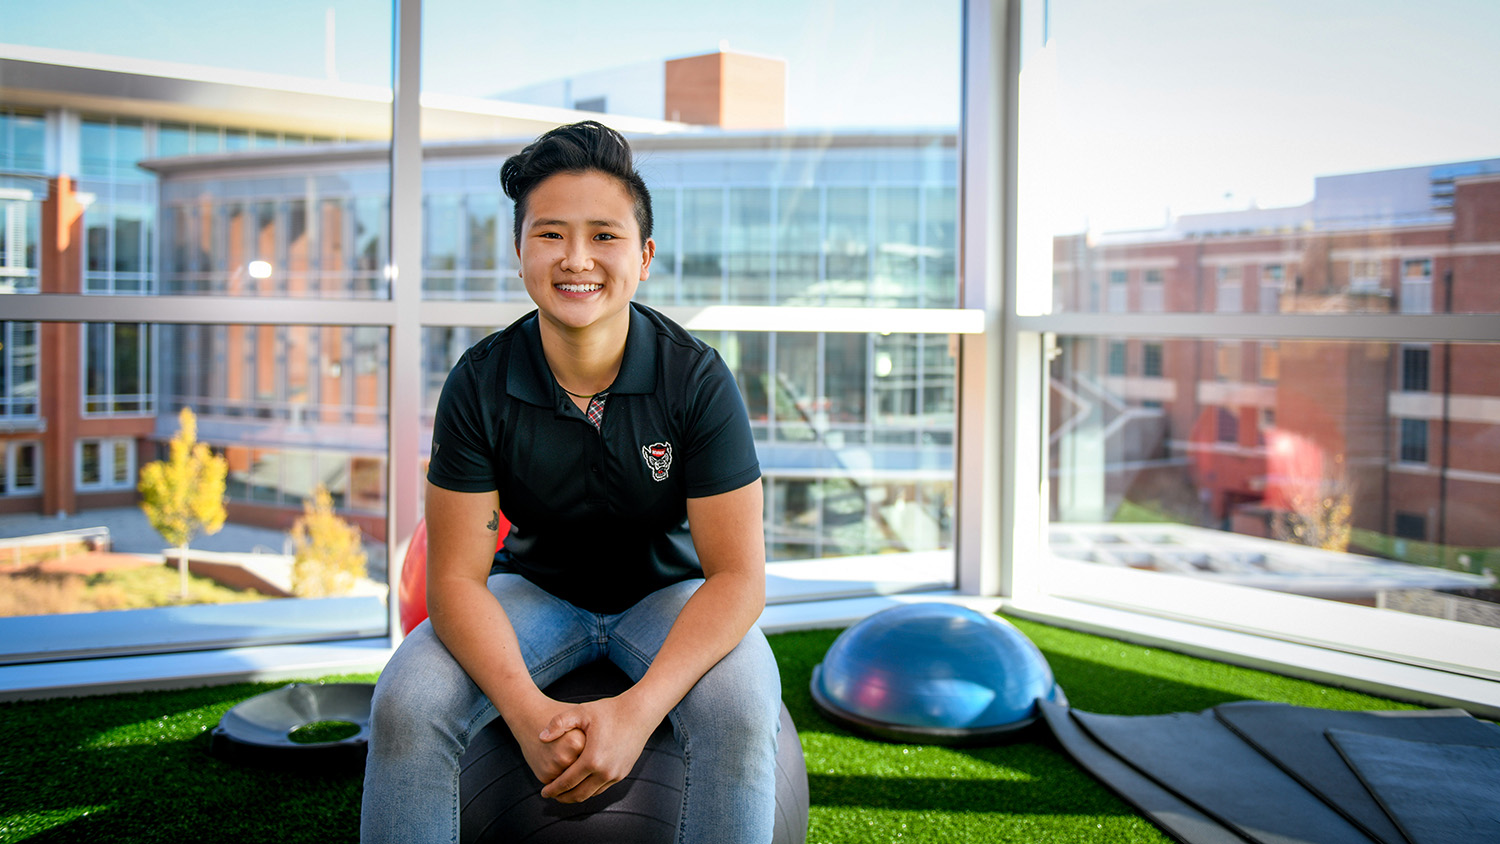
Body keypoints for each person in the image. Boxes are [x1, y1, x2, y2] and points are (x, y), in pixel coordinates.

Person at [360, 121, 782, 844]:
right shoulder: (478, 381)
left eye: (604, 236)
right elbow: (456, 579)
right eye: (551, 235)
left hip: (669, 597)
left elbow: (739, 576)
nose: (577, 258)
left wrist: (637, 710)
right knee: (408, 695)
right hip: (535, 594)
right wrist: (526, 715)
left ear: (644, 257)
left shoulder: (697, 378)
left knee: (742, 706)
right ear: (520, 253)